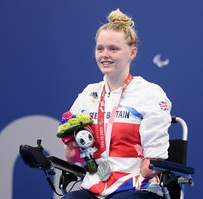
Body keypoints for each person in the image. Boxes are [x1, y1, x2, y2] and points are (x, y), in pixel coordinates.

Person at [60, 8, 172, 199]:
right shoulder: (88, 94)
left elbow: (152, 164)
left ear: (132, 53)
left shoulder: (150, 93)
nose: (105, 55)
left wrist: (147, 166)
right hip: (95, 188)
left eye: (113, 49)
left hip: (137, 188)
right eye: (100, 48)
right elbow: (73, 156)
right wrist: (71, 145)